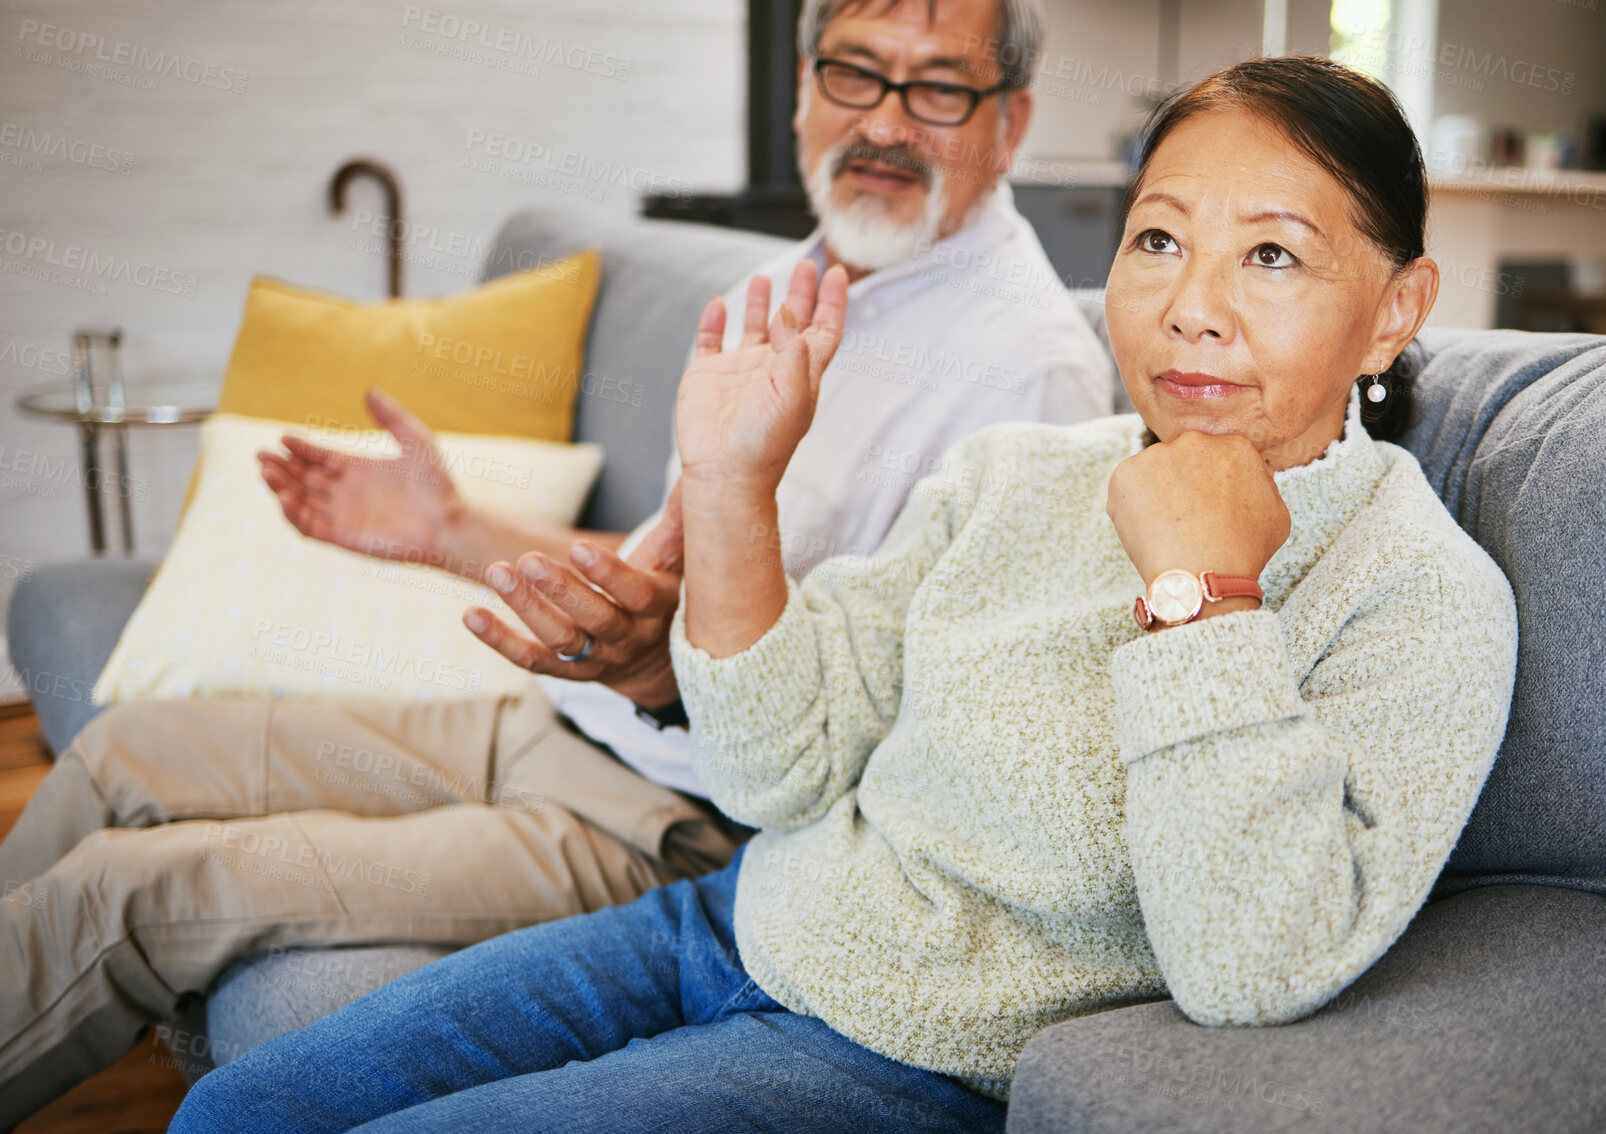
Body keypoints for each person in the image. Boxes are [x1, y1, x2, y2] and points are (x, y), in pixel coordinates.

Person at [169, 54, 1519, 1134]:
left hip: (911, 1066)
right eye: (1157, 239)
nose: (1191, 307)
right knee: (244, 1105)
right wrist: (733, 483)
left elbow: (1248, 961)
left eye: (1270, 256)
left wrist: (1202, 594)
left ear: (1396, 309)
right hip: (725, 922)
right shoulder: (1015, 474)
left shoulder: (1419, 596)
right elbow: (771, 769)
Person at [0, 0, 1114, 1123]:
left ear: (1010, 121)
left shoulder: (1029, 375)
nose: (881, 123)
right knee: (126, 755)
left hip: (674, 820)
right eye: (853, 74)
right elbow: (668, 572)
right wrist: (455, 531)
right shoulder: (787, 292)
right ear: (801, 88)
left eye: (935, 88)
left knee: (128, 894)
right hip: (552, 717)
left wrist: (669, 661)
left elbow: (911, 725)